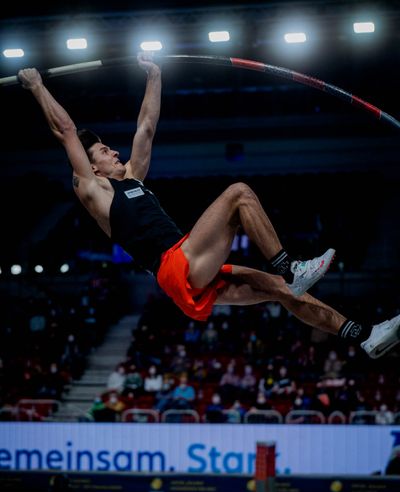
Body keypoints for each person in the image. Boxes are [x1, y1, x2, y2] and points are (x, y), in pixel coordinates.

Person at [17, 55, 400, 360]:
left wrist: (154, 74)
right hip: (175, 263)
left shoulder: (132, 177)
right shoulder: (93, 191)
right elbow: (66, 130)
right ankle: (292, 265)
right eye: (103, 151)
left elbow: (146, 127)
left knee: (283, 292)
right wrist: (37, 87)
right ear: (92, 167)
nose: (113, 151)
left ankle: (365, 335)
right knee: (238, 193)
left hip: (189, 265)